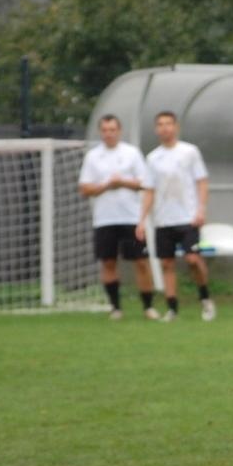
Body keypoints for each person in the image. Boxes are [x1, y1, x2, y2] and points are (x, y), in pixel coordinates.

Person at [135, 111, 215, 322]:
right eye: (160, 124)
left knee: (192, 259)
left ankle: (205, 298)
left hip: (188, 217)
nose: (165, 128)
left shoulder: (189, 152)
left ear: (176, 127)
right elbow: (149, 190)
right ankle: (172, 309)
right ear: (156, 129)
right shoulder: (153, 158)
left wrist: (201, 209)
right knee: (167, 264)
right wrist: (141, 220)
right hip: (163, 219)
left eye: (168, 124)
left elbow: (202, 181)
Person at [78, 114, 155, 320]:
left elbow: (145, 182)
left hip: (131, 218)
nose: (109, 134)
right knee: (108, 262)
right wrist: (105, 185)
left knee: (141, 261)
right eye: (105, 130)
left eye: (112, 130)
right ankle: (115, 307)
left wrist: (122, 182)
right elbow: (84, 188)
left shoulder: (131, 153)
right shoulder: (93, 156)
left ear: (119, 131)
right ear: (100, 132)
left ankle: (148, 307)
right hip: (104, 219)